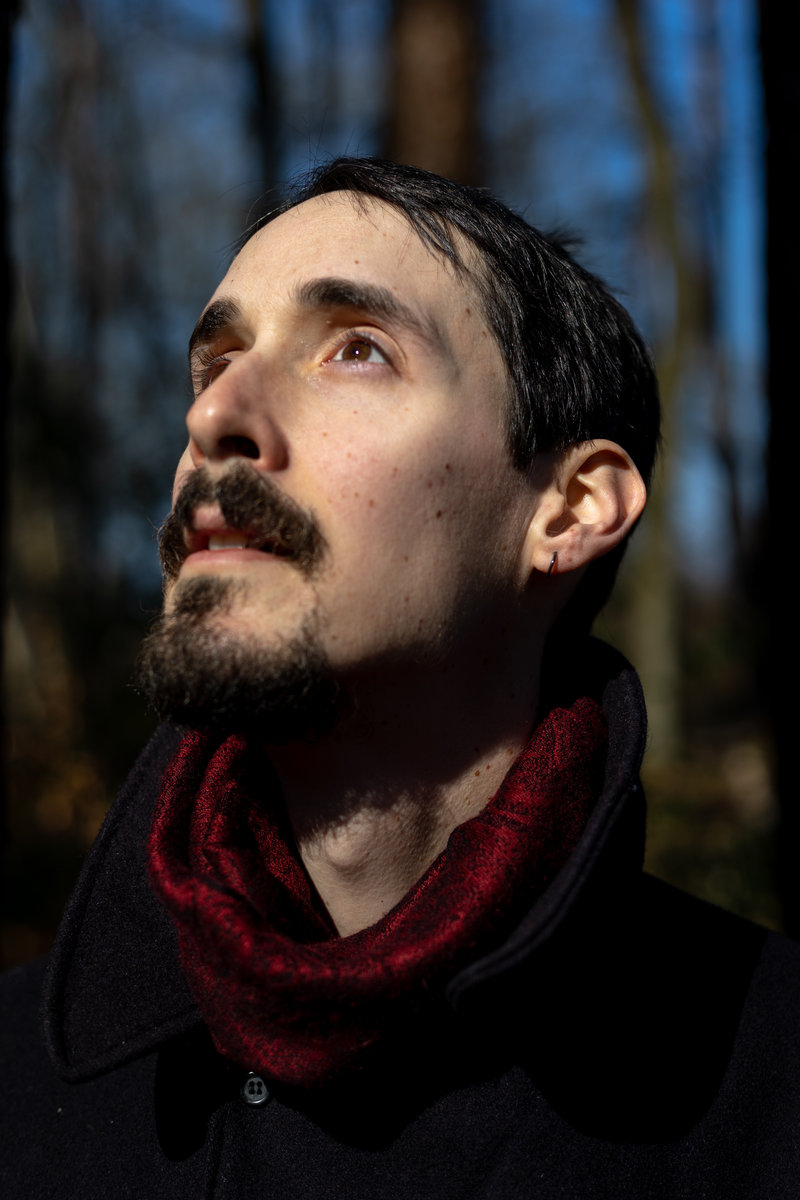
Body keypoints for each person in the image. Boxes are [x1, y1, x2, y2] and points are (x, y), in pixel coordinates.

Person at [2, 158, 798, 1198]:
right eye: (215, 363)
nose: (214, 416)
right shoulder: (18, 1091)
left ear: (567, 511)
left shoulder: (767, 1085)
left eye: (357, 350)